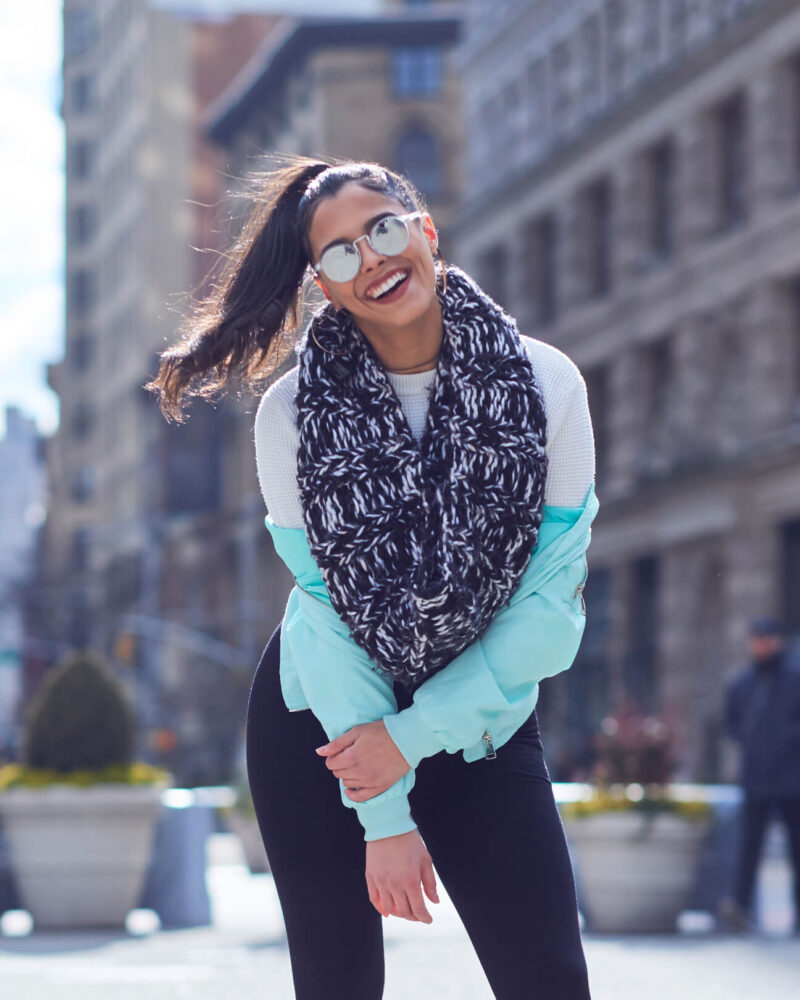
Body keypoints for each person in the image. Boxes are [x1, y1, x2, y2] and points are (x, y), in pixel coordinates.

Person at [147, 154, 598, 999]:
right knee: (337, 985)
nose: (374, 258)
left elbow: (548, 616)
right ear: (324, 285)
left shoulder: (547, 382)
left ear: (424, 232)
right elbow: (325, 614)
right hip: (324, 718)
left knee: (548, 981)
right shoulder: (290, 416)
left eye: (383, 229)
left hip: (482, 718)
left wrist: (412, 739)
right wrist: (383, 815)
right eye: (342, 252)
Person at [718, 616, 800, 935]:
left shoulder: (795, 677)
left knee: (797, 848)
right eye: (758, 639)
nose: (762, 645)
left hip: (793, 779)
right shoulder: (742, 682)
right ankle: (739, 907)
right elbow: (733, 726)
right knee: (748, 846)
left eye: (767, 639)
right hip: (756, 779)